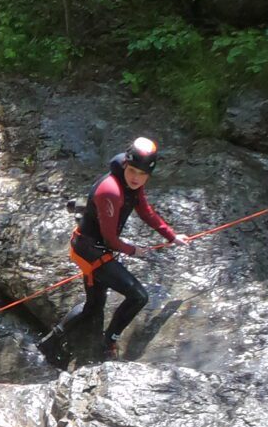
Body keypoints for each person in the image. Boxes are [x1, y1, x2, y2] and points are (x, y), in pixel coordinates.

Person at [38, 137, 191, 367]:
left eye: (142, 174)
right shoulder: (111, 191)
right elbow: (110, 238)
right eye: (132, 171)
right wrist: (133, 250)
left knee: (93, 307)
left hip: (96, 248)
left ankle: (50, 342)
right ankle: (109, 340)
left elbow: (145, 212)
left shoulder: (132, 184)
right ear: (125, 165)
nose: (136, 178)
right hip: (91, 252)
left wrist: (171, 236)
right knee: (139, 296)